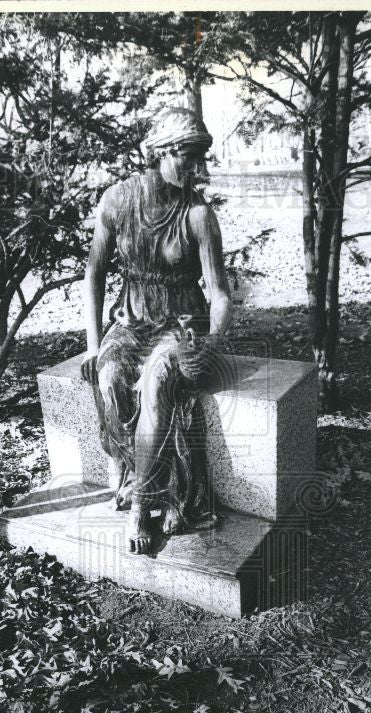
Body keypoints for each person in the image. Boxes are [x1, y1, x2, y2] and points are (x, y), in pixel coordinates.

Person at [81, 106, 234, 554]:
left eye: (202, 157)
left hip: (183, 324)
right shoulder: (117, 200)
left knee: (158, 381)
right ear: (165, 151)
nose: (199, 168)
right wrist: (93, 346)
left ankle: (141, 508)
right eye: (191, 156)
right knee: (108, 377)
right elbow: (94, 275)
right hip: (130, 320)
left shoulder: (198, 215)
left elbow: (220, 292)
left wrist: (213, 342)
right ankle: (133, 474)